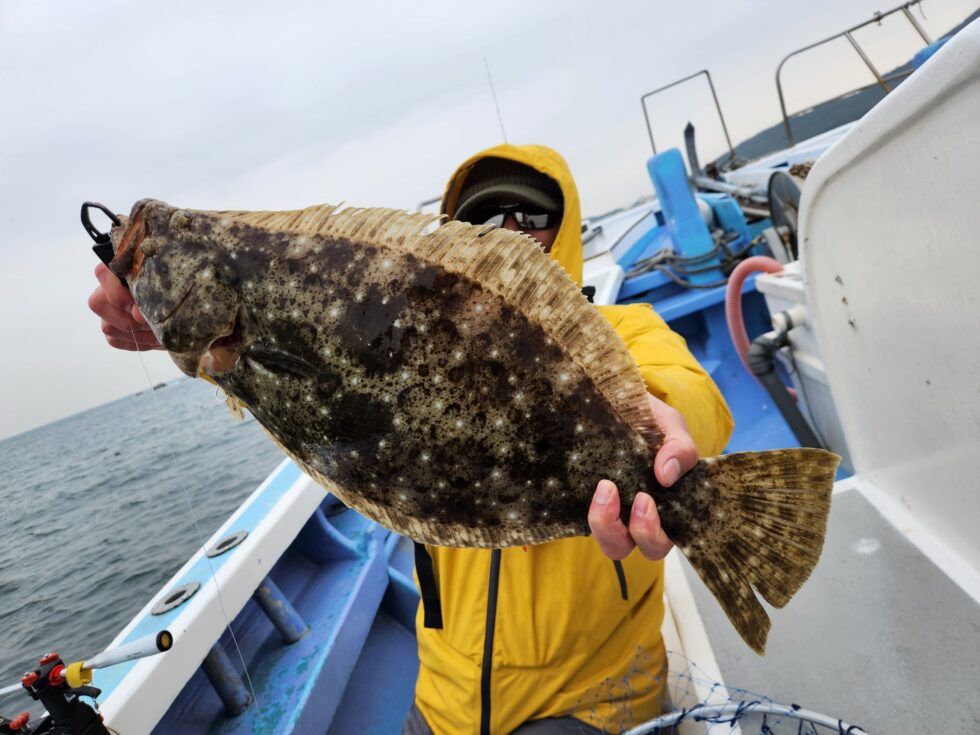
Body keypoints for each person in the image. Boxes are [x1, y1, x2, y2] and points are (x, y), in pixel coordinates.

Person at [88, 144, 734, 734]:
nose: (512, 231)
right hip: (444, 697)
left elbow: (684, 391)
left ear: (564, 227)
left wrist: (661, 430)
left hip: (592, 699)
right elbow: (307, 374)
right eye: (487, 218)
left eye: (532, 215)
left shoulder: (622, 332)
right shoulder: (338, 328)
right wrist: (170, 325)